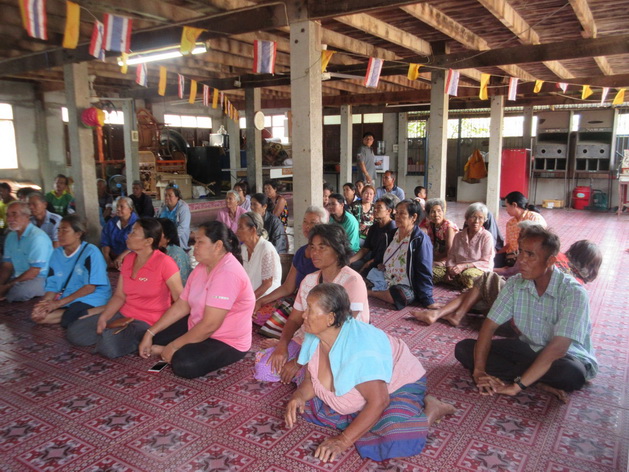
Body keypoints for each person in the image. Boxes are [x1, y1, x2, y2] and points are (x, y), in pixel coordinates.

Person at [285, 283, 455, 462]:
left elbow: (380, 401)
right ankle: (364, 417)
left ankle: (431, 410)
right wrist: (299, 396)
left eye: (310, 310)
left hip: (397, 384)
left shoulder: (360, 351)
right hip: (368, 389)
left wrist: (343, 440)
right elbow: (310, 380)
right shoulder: (314, 335)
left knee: (395, 440)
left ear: (330, 318)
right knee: (305, 406)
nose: (303, 315)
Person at [454, 226, 598, 403]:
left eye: (530, 255)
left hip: (565, 356)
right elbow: (489, 327)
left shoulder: (574, 293)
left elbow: (558, 348)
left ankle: (525, 379)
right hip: (529, 348)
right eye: (521, 251)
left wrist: (516, 387)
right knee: (464, 349)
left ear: (550, 261)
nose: (521, 260)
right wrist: (479, 371)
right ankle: (537, 380)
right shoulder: (516, 284)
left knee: (572, 373)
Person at [413, 229, 602, 327]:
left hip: (521, 306)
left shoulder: (557, 258)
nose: (524, 257)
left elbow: (518, 276)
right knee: (479, 289)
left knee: (486, 279)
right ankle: (449, 312)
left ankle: (451, 313)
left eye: (528, 253)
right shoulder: (578, 284)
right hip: (528, 312)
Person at [138, 221, 255, 379]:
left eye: (200, 242)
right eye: (195, 241)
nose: (194, 246)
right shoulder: (202, 267)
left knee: (184, 363)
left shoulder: (228, 273)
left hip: (226, 339)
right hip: (198, 324)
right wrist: (150, 332)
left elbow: (210, 325)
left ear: (218, 246)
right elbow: (182, 304)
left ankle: (170, 349)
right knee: (156, 337)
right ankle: (172, 346)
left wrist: (173, 346)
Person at [255, 224, 369, 384]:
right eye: (312, 247)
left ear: (338, 250)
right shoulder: (309, 280)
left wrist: (299, 362)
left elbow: (342, 330)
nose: (315, 253)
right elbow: (294, 319)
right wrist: (283, 345)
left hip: (338, 345)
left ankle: (309, 374)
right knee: (264, 369)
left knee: (315, 378)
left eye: (322, 248)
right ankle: (305, 373)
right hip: (307, 339)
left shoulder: (352, 281)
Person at [67, 218, 183, 358]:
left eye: (134, 233)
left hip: (147, 321)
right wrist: (105, 316)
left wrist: (154, 331)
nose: (128, 235)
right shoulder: (128, 259)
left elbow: (180, 302)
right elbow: (119, 296)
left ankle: (114, 337)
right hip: (123, 314)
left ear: (148, 241)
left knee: (108, 346)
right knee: (75, 331)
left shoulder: (165, 263)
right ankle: (111, 334)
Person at [255, 206, 327, 334]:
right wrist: (261, 300)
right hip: (299, 302)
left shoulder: (326, 255)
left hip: (318, 306)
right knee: (258, 314)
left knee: (280, 328)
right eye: (305, 221)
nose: (307, 226)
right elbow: (288, 287)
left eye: (313, 223)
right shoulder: (301, 252)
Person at [31, 215, 111, 326]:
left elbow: (90, 288)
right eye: (58, 230)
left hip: (93, 296)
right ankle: (74, 314)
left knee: (71, 319)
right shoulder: (56, 254)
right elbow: (52, 286)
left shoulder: (91, 252)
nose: (59, 234)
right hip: (69, 297)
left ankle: (105, 308)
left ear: (78, 234)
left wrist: (57, 304)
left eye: (65, 230)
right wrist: (44, 305)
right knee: (39, 317)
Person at [367, 199, 436, 310]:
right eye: (397, 213)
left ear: (414, 217)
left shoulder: (419, 239)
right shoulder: (390, 235)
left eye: (402, 213)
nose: (397, 217)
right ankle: (379, 290)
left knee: (402, 295)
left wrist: (427, 299)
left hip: (405, 284)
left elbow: (424, 270)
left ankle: (372, 293)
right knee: (362, 278)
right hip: (385, 276)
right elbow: (380, 258)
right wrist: (380, 264)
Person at [433, 202, 494, 289]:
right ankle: (459, 282)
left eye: (481, 218)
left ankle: (465, 284)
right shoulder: (459, 236)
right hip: (457, 268)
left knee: (468, 275)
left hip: (477, 269)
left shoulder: (486, 236)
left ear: (484, 220)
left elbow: (486, 261)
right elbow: (451, 255)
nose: (476, 221)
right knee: (431, 272)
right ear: (467, 218)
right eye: (473, 217)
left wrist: (464, 266)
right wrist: (449, 269)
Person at [0, 201, 53, 302]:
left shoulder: (37, 237)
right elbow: (7, 266)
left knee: (19, 292)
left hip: (40, 278)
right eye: (8, 215)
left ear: (27, 216)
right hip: (17, 277)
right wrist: (1, 284)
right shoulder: (11, 237)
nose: (10, 219)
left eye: (14, 214)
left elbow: (34, 271)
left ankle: (8, 295)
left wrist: (7, 286)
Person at [236, 212, 282, 299]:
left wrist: (248, 300)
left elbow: (267, 284)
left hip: (267, 299)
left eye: (241, 227)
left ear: (253, 230)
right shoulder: (243, 249)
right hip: (251, 297)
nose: (237, 231)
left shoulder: (266, 248)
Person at [349, 196, 397, 275]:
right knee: (350, 264)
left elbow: (389, 254)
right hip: (372, 260)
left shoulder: (393, 228)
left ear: (389, 211)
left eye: (379, 207)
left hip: (384, 264)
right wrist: (349, 261)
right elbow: (365, 249)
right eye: (374, 207)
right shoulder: (374, 227)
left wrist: (369, 263)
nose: (375, 210)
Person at [498, 191, 546, 266]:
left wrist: (519, 256)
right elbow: (509, 245)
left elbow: (538, 244)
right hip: (511, 258)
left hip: (529, 259)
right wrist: (496, 253)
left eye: (506, 206)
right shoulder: (510, 223)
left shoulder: (534, 218)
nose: (506, 209)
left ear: (514, 205)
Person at [100, 197, 138, 270]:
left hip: (131, 257)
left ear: (130, 209)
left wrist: (120, 257)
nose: (118, 209)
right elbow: (105, 242)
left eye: (122, 206)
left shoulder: (137, 224)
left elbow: (136, 244)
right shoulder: (111, 223)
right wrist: (107, 258)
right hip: (113, 257)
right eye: (117, 206)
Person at [421, 198, 459, 268]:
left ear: (443, 212)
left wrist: (433, 259)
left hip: (448, 259)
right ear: (428, 214)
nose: (436, 215)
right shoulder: (431, 224)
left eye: (439, 211)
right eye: (433, 212)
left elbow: (449, 250)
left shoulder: (449, 227)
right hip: (434, 257)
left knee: (426, 267)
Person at [157, 218, 192, 286]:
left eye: (157, 234)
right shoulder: (155, 250)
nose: (152, 237)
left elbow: (181, 283)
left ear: (168, 238)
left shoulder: (176, 254)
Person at [157, 185, 191, 251]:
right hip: (163, 237)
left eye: (170, 195)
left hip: (177, 238)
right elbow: (157, 220)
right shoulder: (162, 206)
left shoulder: (183, 208)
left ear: (177, 197)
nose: (167, 198)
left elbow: (183, 227)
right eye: (165, 195)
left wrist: (169, 238)